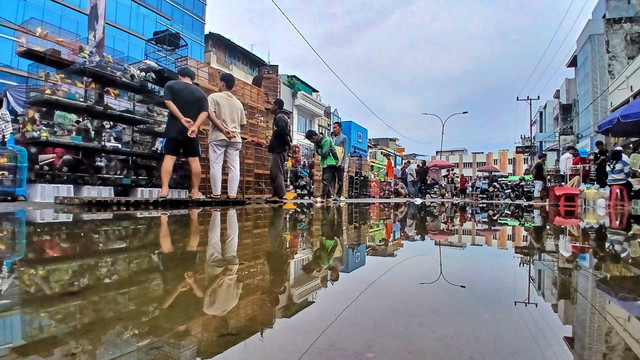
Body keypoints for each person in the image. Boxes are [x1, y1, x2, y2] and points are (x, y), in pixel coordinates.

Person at [191, 73, 246, 199]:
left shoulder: (214, 97)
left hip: (218, 136)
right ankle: (232, 194)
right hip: (235, 137)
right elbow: (242, 123)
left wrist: (223, 129)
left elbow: (209, 114)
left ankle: (216, 193)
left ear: (222, 83)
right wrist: (232, 131)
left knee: (216, 165)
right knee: (234, 167)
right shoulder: (238, 103)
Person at [160, 67, 209, 199]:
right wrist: (196, 126)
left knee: (169, 158)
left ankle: (164, 190)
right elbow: (205, 112)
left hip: (173, 128)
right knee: (194, 160)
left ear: (179, 76)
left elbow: (168, 102)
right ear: (193, 79)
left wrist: (182, 118)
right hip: (191, 131)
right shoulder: (201, 93)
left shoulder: (171, 85)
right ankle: (195, 191)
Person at [267, 98, 291, 200]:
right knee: (274, 172)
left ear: (276, 106)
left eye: (272, 104)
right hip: (278, 148)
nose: (270, 106)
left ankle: (280, 194)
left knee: (277, 172)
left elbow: (283, 132)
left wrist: (288, 146)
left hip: (279, 149)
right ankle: (276, 194)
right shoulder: (282, 117)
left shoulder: (280, 118)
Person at [305, 129, 339, 201]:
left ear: (314, 137)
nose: (311, 142)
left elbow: (324, 153)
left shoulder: (326, 140)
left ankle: (322, 197)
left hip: (331, 161)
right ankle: (329, 197)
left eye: (311, 140)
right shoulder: (317, 142)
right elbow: (317, 151)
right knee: (325, 179)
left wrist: (319, 150)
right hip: (324, 162)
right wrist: (319, 150)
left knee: (326, 180)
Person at [332, 122, 348, 200]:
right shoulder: (334, 139)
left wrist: (343, 163)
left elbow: (345, 151)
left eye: (336, 127)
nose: (334, 129)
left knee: (340, 180)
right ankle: (332, 194)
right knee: (332, 179)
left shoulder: (344, 138)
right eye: (333, 128)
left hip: (340, 161)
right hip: (332, 161)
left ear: (340, 128)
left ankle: (338, 195)